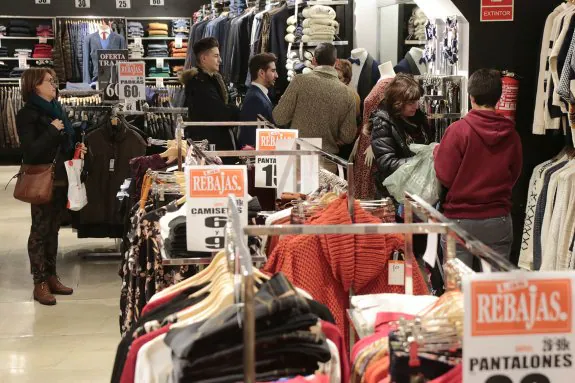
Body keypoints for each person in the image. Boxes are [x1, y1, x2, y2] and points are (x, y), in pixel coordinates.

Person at [434, 69, 522, 267]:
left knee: (457, 290)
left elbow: (445, 176)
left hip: (459, 218)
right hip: (497, 219)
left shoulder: (458, 130)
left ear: (470, 96)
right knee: (495, 291)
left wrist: (437, 154)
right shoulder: (511, 134)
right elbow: (514, 174)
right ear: (498, 97)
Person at [16, 68, 86, 306]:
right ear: (35, 85)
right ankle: (40, 283)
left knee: (53, 229)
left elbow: (64, 143)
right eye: (49, 81)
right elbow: (31, 150)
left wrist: (77, 148)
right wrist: (51, 130)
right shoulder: (27, 114)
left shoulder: (58, 109)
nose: (54, 85)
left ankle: (51, 275)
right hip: (41, 178)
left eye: (53, 81)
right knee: (39, 231)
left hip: (60, 177)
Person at [273, 43, 357, 172]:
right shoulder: (348, 93)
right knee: (326, 193)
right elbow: (348, 136)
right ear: (336, 62)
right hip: (327, 161)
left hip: (298, 159)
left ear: (313, 60)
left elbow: (279, 117)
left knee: (294, 193)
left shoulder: (299, 81)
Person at [370, 73, 433, 197]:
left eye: (417, 101)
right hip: (394, 191)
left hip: (416, 187)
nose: (416, 106)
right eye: (411, 103)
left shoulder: (419, 118)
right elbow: (386, 163)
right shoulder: (383, 123)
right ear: (398, 103)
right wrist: (419, 161)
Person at [179, 37, 239, 151]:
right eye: (216, 56)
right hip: (210, 147)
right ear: (204, 58)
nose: (220, 60)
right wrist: (235, 110)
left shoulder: (213, 80)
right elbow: (222, 114)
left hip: (215, 143)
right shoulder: (199, 84)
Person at [238, 53, 278, 148]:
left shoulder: (258, 94)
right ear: (261, 73)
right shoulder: (255, 98)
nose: (276, 75)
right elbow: (252, 135)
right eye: (273, 71)